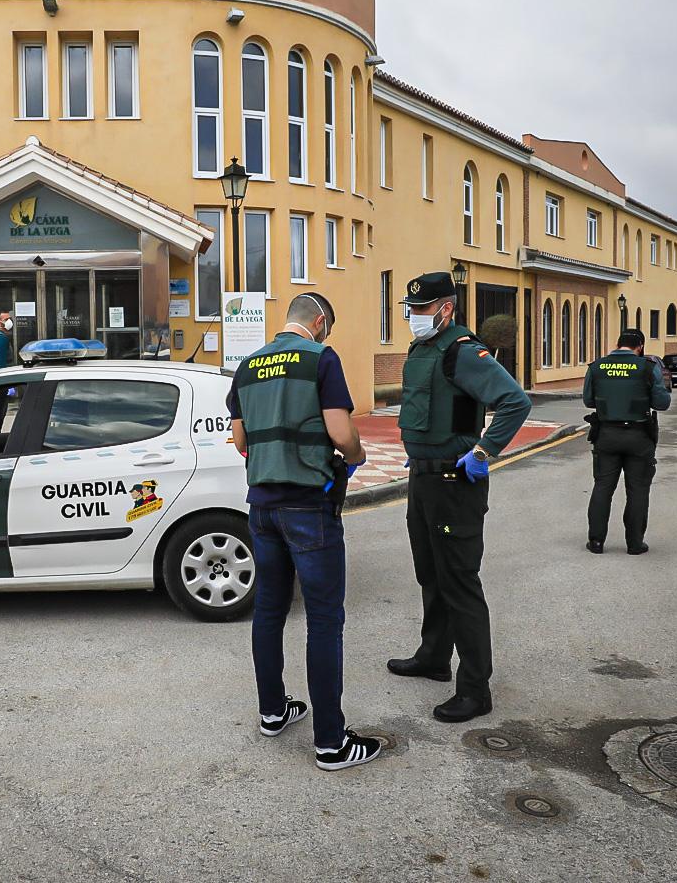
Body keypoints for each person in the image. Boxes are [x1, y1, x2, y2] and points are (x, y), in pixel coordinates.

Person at [227, 291, 384, 772]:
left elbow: (239, 441)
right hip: (309, 506)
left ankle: (273, 712)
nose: (326, 335)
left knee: (269, 610)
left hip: (262, 507)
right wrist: (356, 457)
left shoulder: (249, 365)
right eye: (327, 328)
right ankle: (331, 744)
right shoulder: (321, 358)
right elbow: (340, 433)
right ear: (318, 322)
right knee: (323, 619)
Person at [387, 271, 531, 724]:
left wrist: (484, 451)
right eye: (410, 310)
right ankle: (433, 657)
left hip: (455, 482)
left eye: (421, 309)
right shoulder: (423, 349)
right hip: (425, 479)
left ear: (445, 309)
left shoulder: (463, 352)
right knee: (431, 573)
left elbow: (515, 401)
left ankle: (475, 688)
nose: (413, 317)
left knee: (460, 582)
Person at [583, 327, 671, 555]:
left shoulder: (597, 367)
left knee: (602, 488)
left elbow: (588, 400)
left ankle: (596, 542)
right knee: (638, 490)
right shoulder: (648, 368)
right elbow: (662, 403)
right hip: (639, 436)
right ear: (640, 346)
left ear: (617, 343)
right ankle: (634, 543)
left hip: (606, 436)